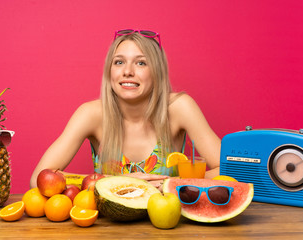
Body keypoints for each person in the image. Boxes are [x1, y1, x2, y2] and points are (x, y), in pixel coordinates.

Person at [30, 29, 221, 189]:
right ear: (109, 71)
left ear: (157, 72)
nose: (127, 71)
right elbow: (37, 179)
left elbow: (230, 169)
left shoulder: (179, 107)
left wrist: (175, 183)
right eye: (119, 62)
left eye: (141, 63)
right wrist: (117, 182)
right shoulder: (91, 114)